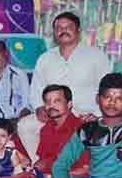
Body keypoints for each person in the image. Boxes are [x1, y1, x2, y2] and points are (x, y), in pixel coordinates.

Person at [22, 12, 114, 158]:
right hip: (54, 115)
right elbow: (36, 88)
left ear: (78, 31)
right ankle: (40, 166)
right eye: (59, 28)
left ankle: (70, 166)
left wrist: (98, 114)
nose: (63, 31)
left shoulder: (96, 56)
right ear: (54, 33)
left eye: (68, 27)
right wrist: (39, 107)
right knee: (25, 126)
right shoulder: (45, 59)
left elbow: (108, 89)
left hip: (85, 115)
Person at [33, 84, 89, 178]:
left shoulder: (82, 128)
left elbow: (86, 170)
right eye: (48, 102)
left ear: (69, 104)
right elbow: (44, 162)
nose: (51, 106)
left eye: (57, 101)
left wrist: (56, 176)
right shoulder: (45, 130)